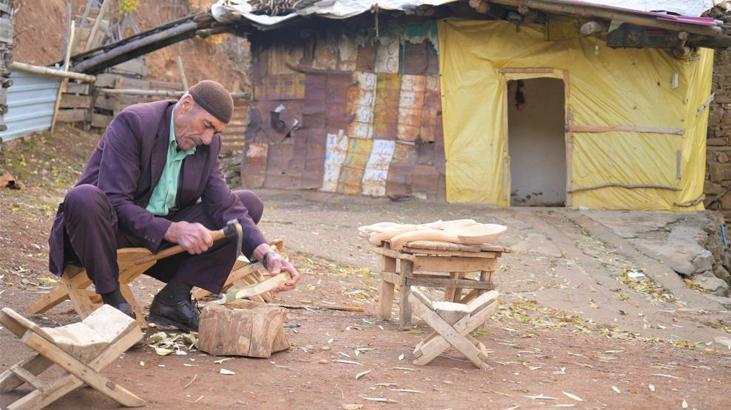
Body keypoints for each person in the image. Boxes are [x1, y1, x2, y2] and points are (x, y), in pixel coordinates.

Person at [47, 80, 300, 332]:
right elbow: (114, 200)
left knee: (247, 204)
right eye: (207, 126)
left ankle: (174, 300)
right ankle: (113, 302)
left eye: (216, 132)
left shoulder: (207, 145)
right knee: (83, 197)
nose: (207, 138)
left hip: (157, 242)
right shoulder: (134, 123)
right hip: (103, 235)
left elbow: (225, 205)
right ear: (186, 105)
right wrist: (173, 230)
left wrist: (267, 255)